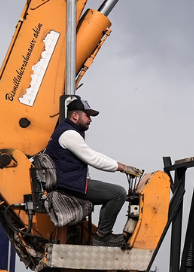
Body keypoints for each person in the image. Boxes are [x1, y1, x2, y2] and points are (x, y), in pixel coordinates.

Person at [44, 98, 136, 247]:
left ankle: (102, 234)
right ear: (75, 115)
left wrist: (120, 165)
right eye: (87, 115)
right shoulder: (69, 134)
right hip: (70, 184)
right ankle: (103, 236)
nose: (90, 120)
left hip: (70, 182)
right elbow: (93, 159)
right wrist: (122, 168)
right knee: (118, 193)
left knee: (113, 192)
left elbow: (92, 153)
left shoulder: (67, 132)